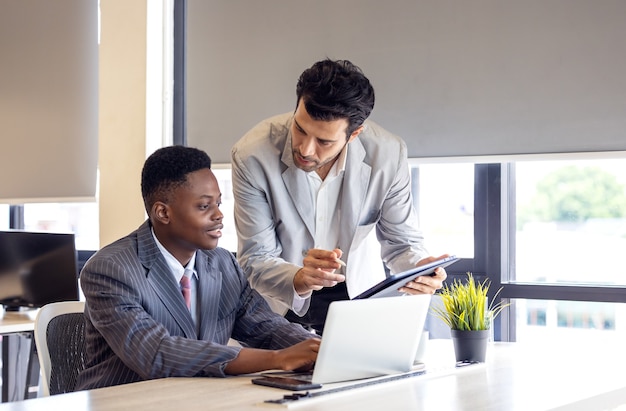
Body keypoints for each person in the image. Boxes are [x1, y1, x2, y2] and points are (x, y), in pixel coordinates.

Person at [231, 58, 449, 333]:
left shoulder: (389, 155)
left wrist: (419, 268)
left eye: (324, 141)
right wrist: (299, 276)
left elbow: (402, 243)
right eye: (299, 128)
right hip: (281, 301)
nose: (306, 149)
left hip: (358, 299)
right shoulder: (252, 155)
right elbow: (255, 257)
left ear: (355, 134)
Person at [77, 145, 319, 390]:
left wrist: (318, 348)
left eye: (218, 203)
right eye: (204, 206)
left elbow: (265, 327)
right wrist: (277, 359)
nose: (219, 215)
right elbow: (157, 353)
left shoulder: (224, 264)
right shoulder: (110, 270)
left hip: (198, 399)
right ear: (162, 212)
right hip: (123, 402)